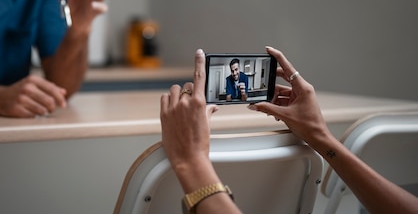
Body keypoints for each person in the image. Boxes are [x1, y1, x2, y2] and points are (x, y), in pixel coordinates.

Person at [161, 47, 418, 214]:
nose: (237, 72)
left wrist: (191, 162)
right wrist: (319, 136)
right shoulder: (229, 81)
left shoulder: (244, 82)